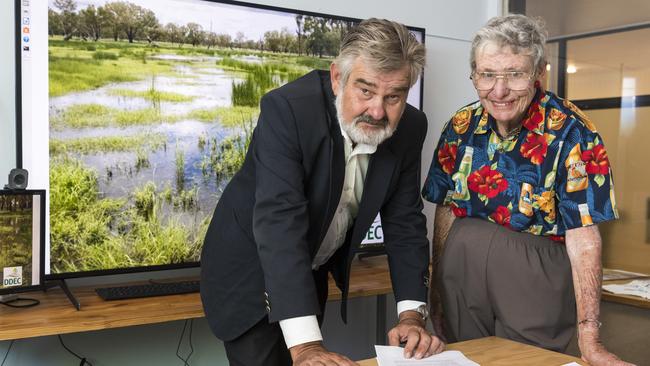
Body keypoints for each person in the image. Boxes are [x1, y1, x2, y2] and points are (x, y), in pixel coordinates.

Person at [201, 18, 444, 366]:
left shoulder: (410, 126)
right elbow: (279, 225)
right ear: (336, 78)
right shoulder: (287, 110)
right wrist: (306, 347)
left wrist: (411, 316)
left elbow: (404, 222)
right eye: (365, 90)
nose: (377, 111)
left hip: (308, 267)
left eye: (394, 96)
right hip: (249, 272)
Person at [422, 14, 634, 366]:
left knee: (524, 361)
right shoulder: (460, 126)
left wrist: (590, 338)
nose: (499, 90)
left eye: (515, 74)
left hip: (533, 272)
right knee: (464, 358)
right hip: (461, 270)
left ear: (539, 73)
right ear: (475, 73)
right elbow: (444, 212)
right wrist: (437, 293)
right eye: (487, 75)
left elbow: (583, 234)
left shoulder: (574, 132)